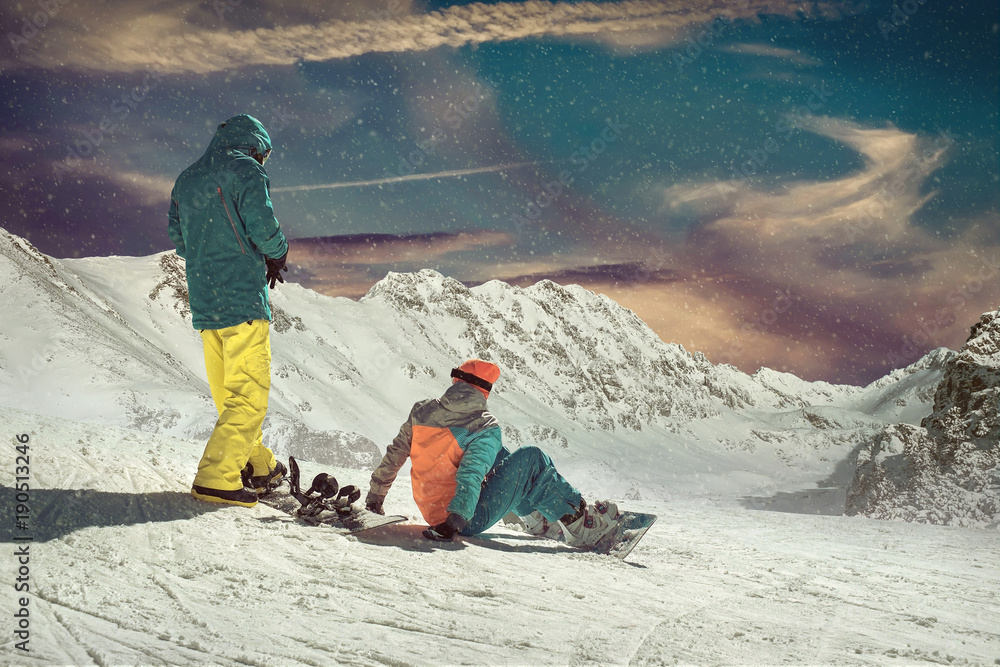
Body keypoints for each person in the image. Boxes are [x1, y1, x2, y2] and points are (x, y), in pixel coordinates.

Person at [364, 359, 621, 547]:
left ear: (456, 381)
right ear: (485, 390)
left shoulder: (421, 411)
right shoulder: (483, 425)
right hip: (462, 517)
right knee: (532, 458)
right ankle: (580, 524)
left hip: (432, 510)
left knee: (501, 455)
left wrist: (375, 498)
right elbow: (471, 474)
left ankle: (536, 519)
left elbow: (395, 454)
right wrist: (455, 522)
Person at [167, 114, 289, 507]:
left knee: (228, 395)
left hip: (206, 304)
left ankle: (259, 464)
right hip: (242, 300)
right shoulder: (244, 169)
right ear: (255, 144)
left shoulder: (186, 179)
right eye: (264, 153)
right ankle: (217, 477)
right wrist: (277, 253)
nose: (263, 160)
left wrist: (208, 253)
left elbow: (179, 239)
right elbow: (262, 222)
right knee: (249, 396)